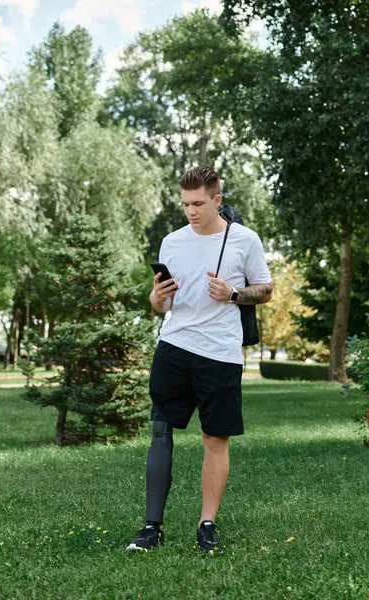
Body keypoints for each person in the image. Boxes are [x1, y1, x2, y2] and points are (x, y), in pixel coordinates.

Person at [126, 166, 273, 554]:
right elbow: (164, 301)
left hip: (220, 353)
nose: (191, 211)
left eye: (198, 204)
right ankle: (151, 527)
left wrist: (234, 294)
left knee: (214, 438)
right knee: (160, 430)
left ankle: (206, 525)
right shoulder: (172, 242)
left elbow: (266, 289)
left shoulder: (245, 240)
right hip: (174, 344)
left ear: (217, 200)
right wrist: (157, 299)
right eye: (185, 204)